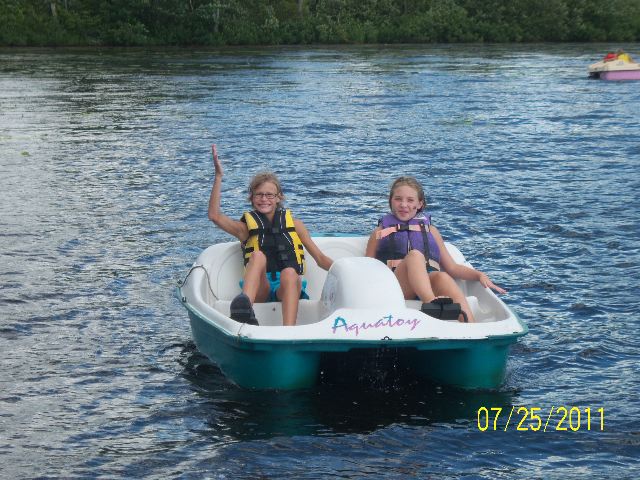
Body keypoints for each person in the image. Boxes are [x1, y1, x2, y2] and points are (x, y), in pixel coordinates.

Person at [207, 145, 333, 327]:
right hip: (260, 289)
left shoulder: (295, 225)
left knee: (290, 273)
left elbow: (320, 259)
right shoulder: (245, 229)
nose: (264, 199)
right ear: (252, 198)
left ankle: (288, 331)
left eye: (269, 195)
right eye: (259, 195)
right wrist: (218, 177)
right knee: (257, 256)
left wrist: (346, 271)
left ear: (279, 197)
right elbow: (214, 216)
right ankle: (244, 310)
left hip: (287, 288)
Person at [365, 176, 506, 323]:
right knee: (415, 256)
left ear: (419, 204)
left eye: (410, 200)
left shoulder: (431, 231)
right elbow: (367, 268)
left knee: (442, 276)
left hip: (429, 282)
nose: (403, 204)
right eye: (398, 199)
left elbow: (452, 268)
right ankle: (431, 304)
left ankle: (470, 325)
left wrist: (479, 275)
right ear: (391, 201)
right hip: (398, 287)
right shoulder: (379, 233)